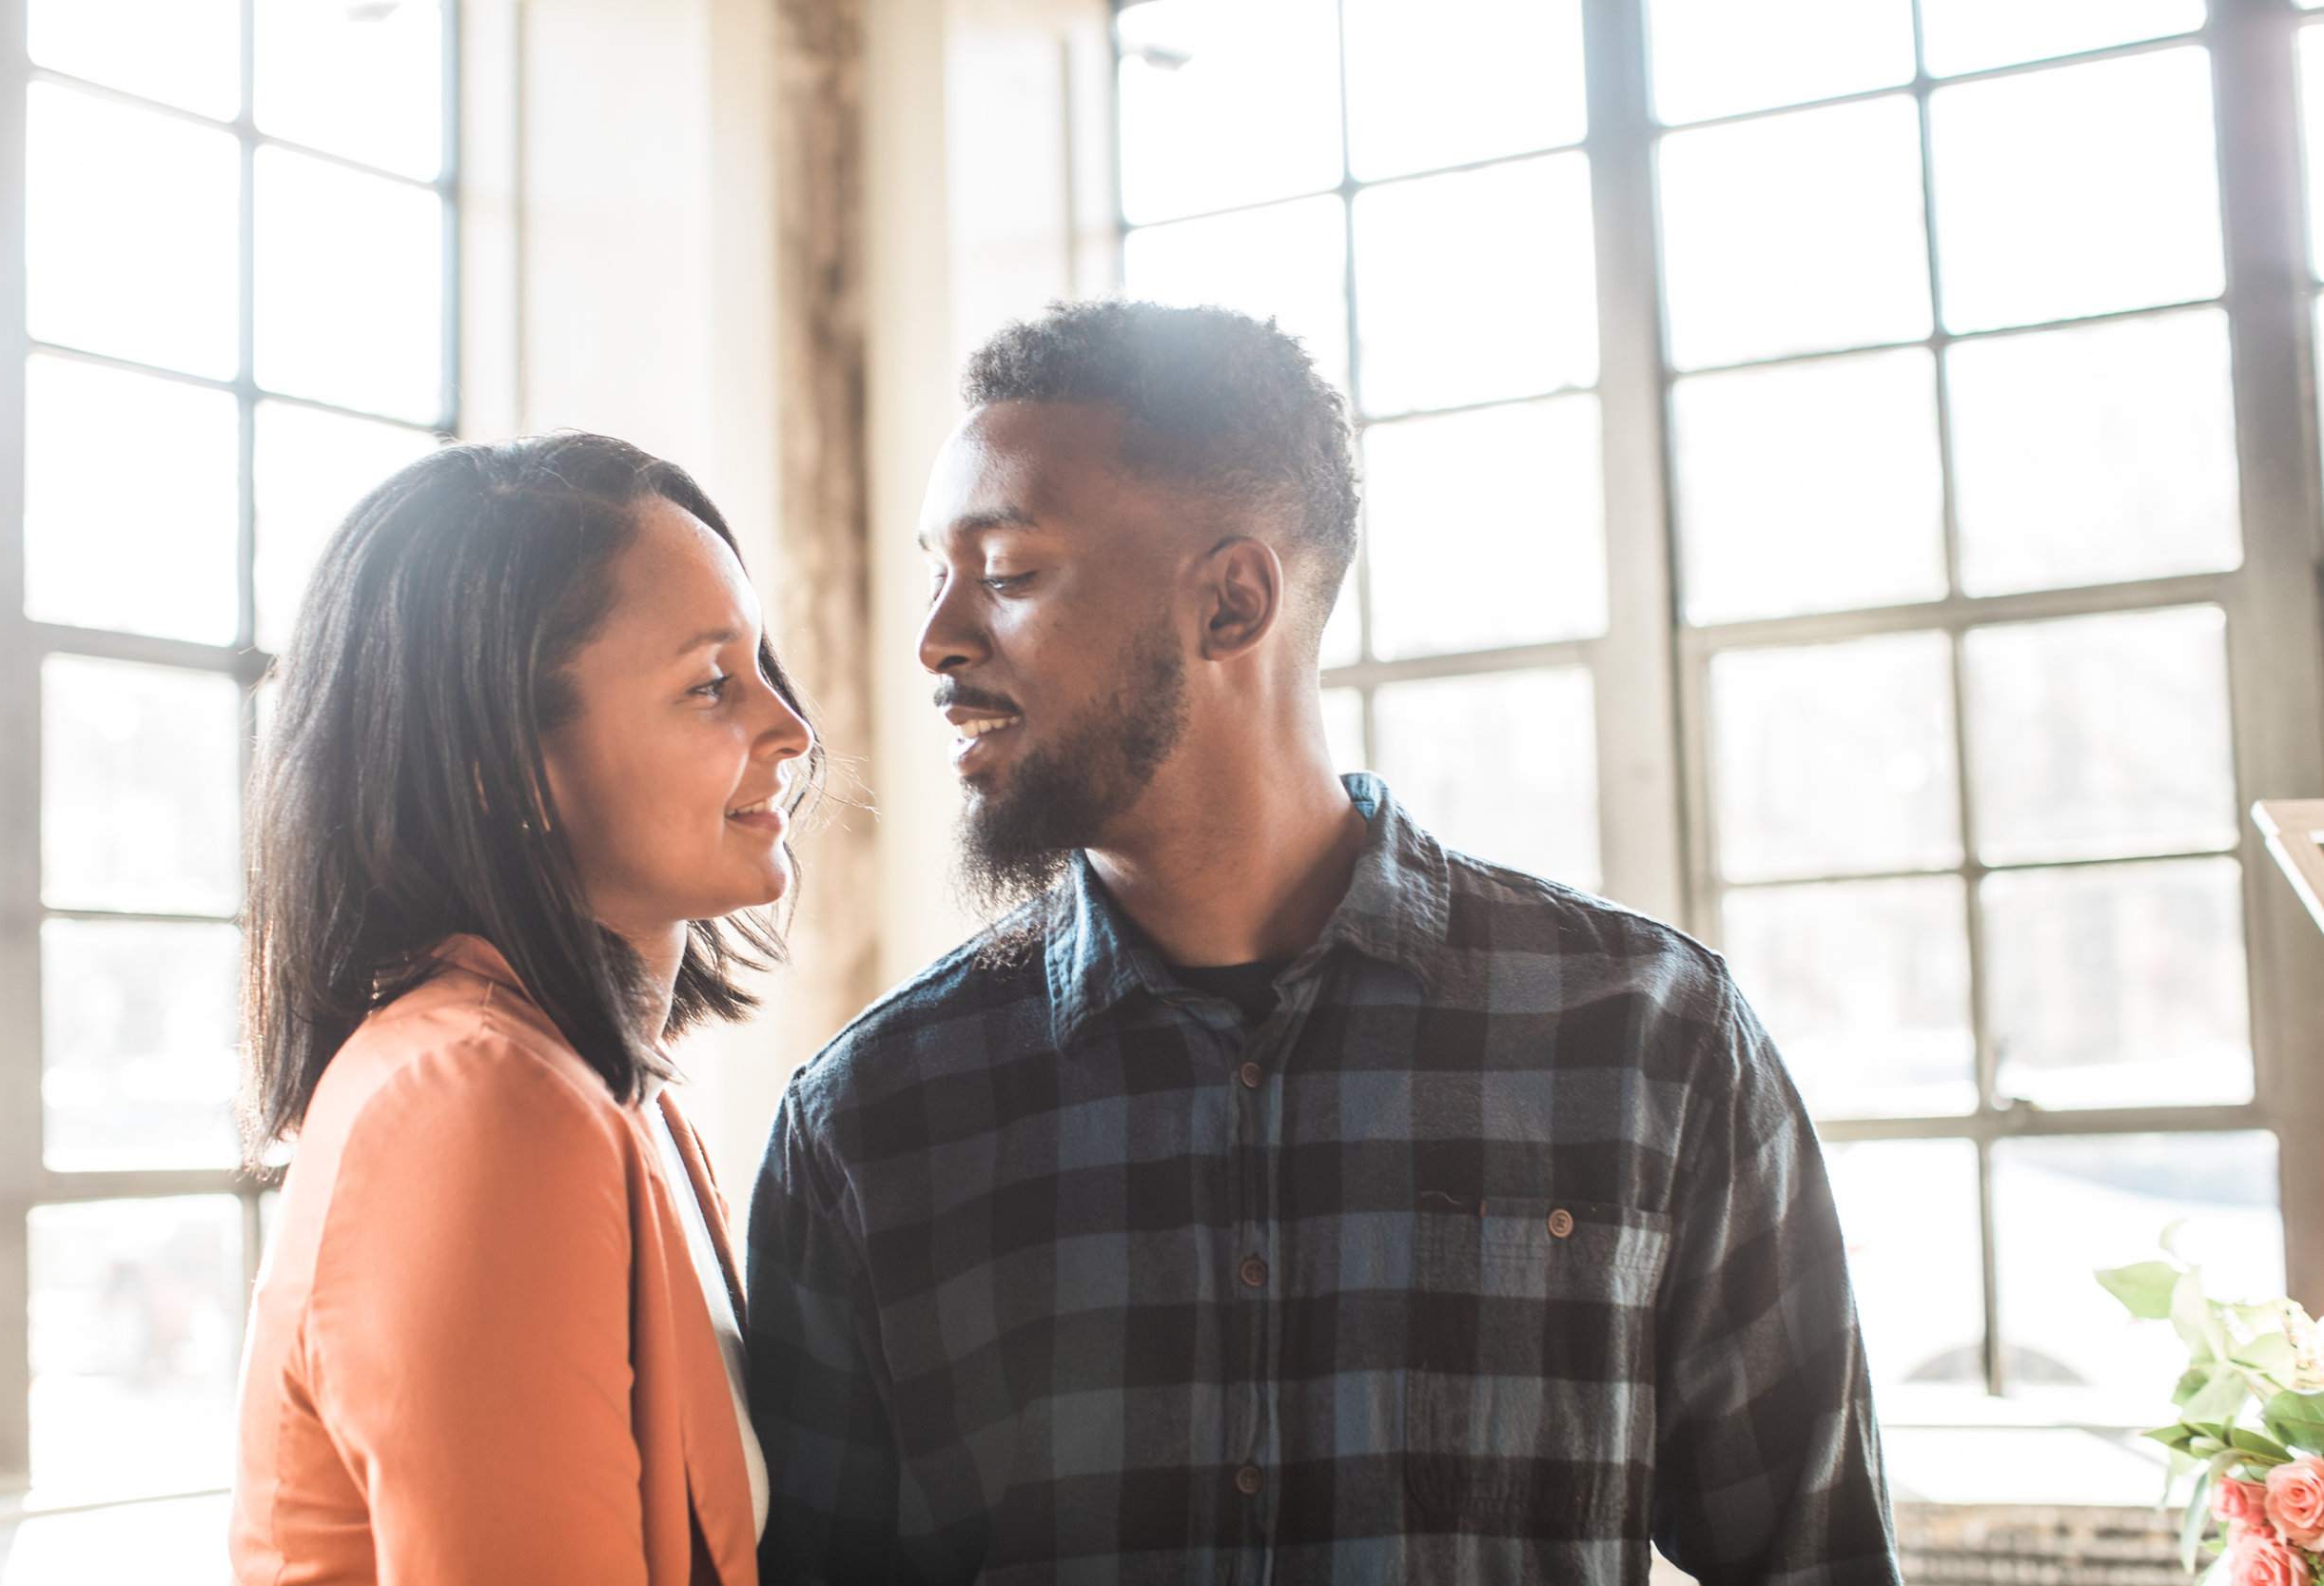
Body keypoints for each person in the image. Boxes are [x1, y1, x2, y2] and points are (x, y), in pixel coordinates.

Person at [744, 302, 1901, 1584]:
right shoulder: (866, 1126)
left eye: (1007, 570)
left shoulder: (1651, 1040)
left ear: (1234, 601)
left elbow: (1819, 1559)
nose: (935, 640)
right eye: (937, 574)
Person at [232, 433, 816, 1585]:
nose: (790, 727)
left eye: (761, 665)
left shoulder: (606, 1091)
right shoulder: (482, 1104)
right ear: (504, 763)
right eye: (711, 683)